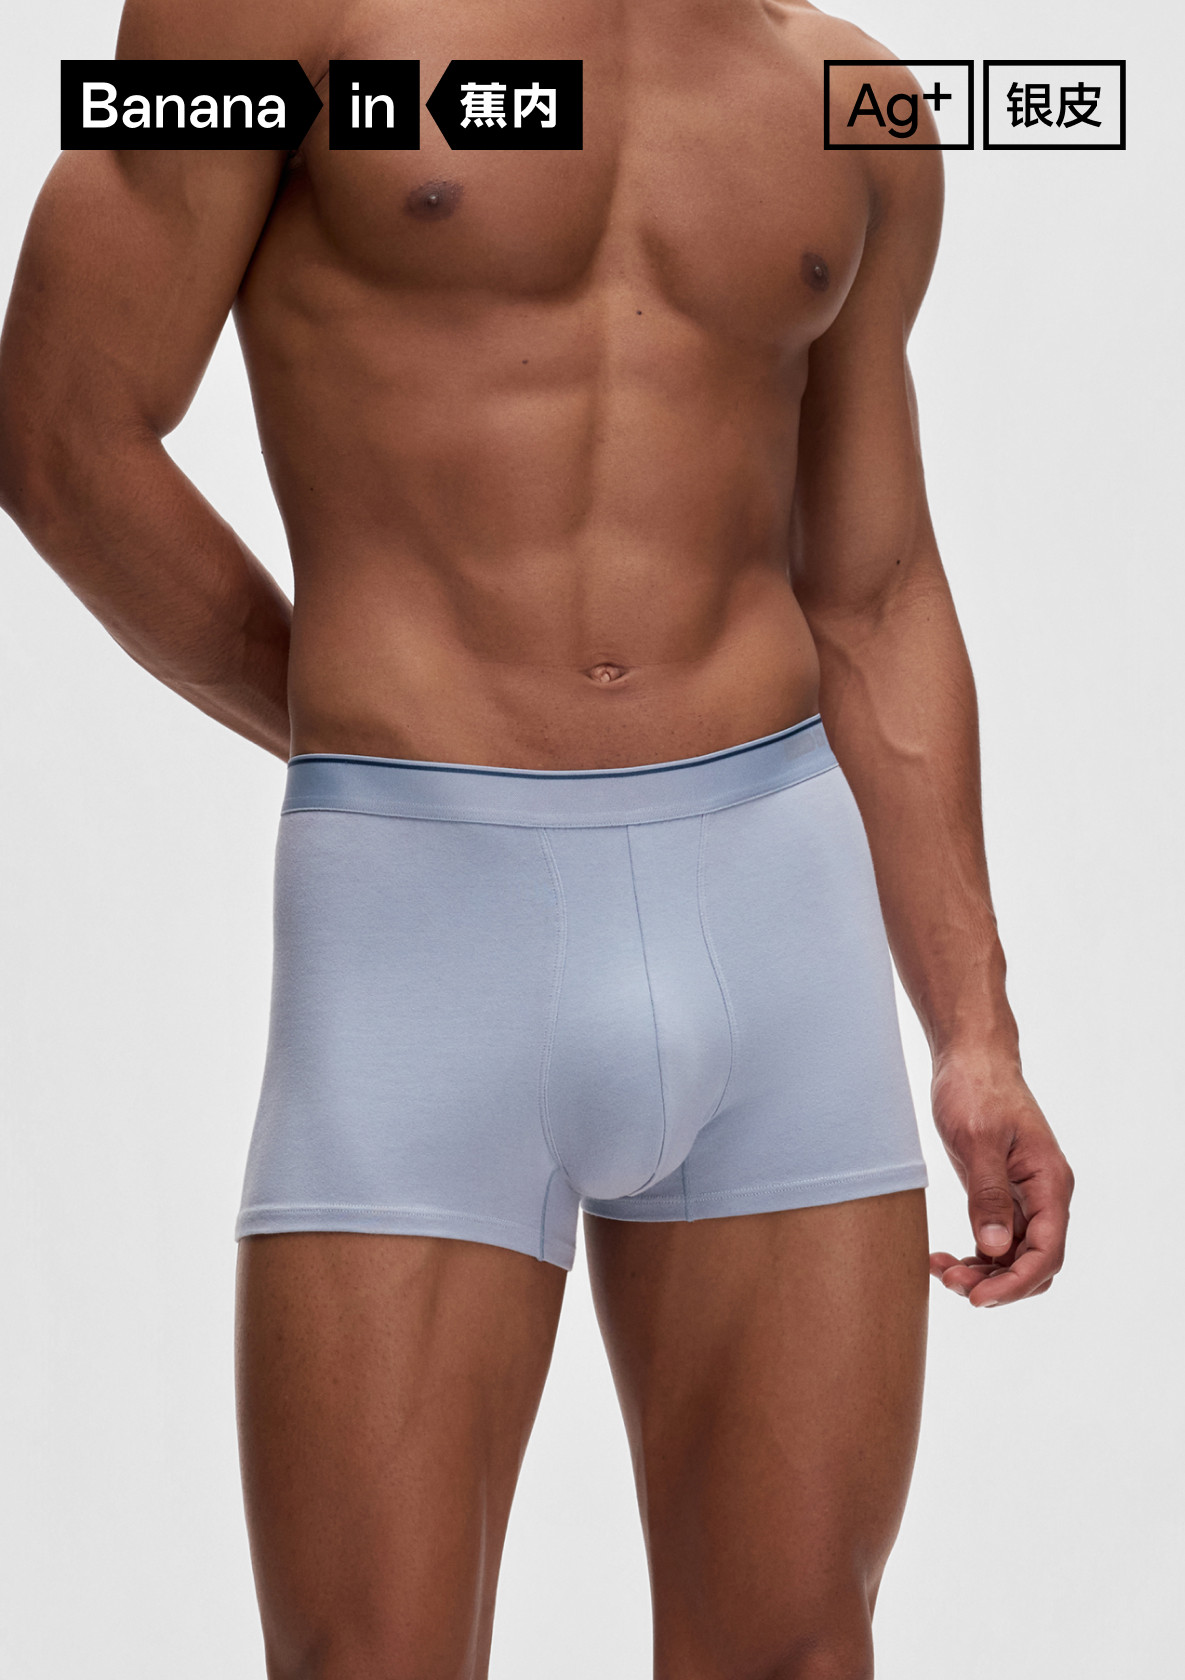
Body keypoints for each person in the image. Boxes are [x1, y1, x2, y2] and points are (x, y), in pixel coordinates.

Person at [0, 1, 1074, 1675]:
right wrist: (365, 731)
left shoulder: (853, 95)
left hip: (774, 915)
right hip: (421, 926)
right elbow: (60, 431)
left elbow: (871, 585)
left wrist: (975, 1030)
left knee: (798, 1654)